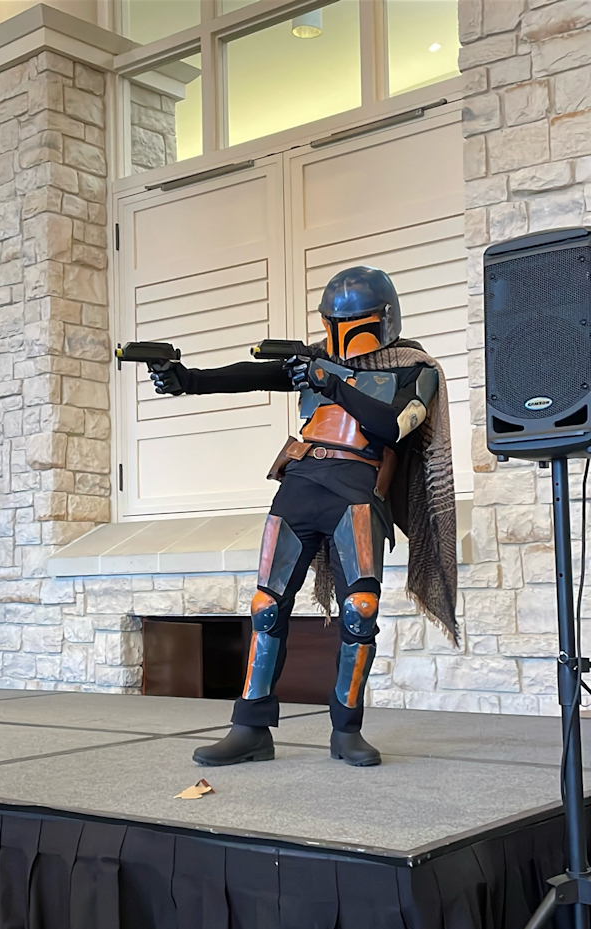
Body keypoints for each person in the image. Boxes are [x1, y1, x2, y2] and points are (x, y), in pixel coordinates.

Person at [149, 266, 457, 767]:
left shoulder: (414, 368)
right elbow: (252, 376)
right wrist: (186, 380)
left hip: (358, 488)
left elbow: (393, 425)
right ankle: (250, 728)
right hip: (301, 482)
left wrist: (331, 383)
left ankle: (346, 729)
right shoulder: (315, 360)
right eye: (337, 322)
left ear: (382, 319)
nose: (343, 332)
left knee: (360, 609)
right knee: (266, 606)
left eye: (355, 321)